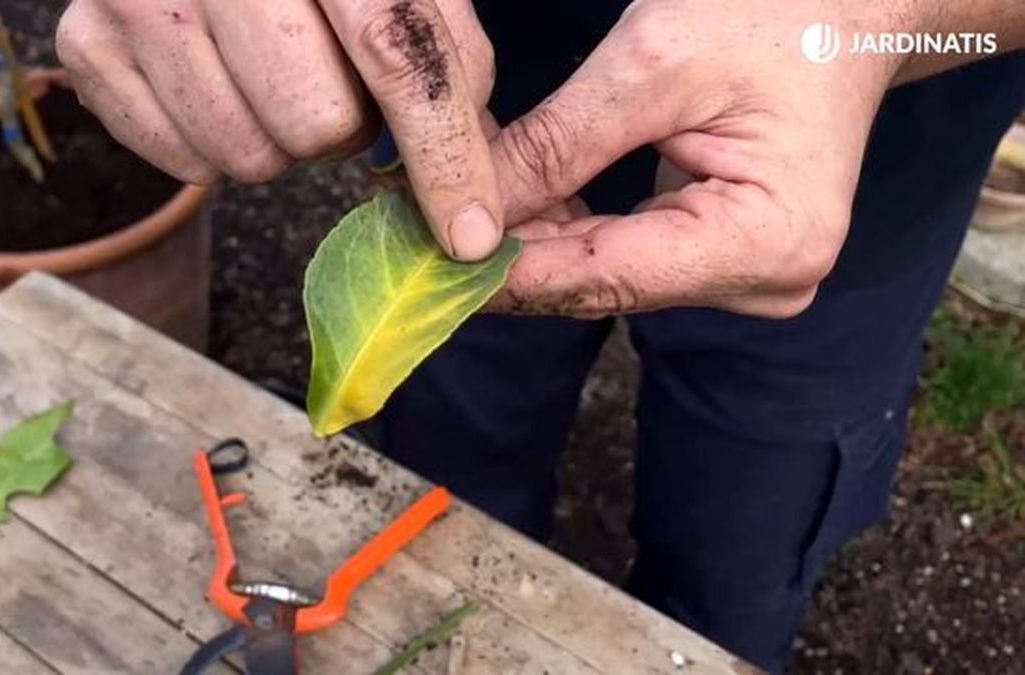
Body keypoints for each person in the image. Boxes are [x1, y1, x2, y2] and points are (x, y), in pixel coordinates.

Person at [56, 1, 1025, 670]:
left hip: (863, 154)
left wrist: (869, 20)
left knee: (751, 509)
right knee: (454, 446)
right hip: (465, 120)